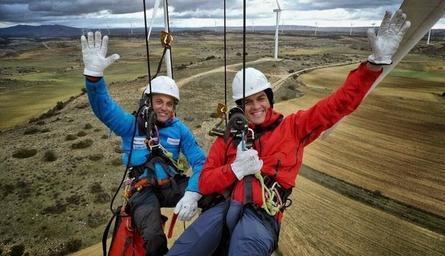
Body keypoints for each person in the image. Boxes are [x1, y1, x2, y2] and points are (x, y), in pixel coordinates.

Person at [168, 10, 411, 255]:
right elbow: (207, 181)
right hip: (223, 206)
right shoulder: (228, 139)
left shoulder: (293, 127)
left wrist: (373, 66)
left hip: (262, 216)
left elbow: (337, 105)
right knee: (183, 251)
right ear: (240, 108)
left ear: (269, 99)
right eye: (248, 102)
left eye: (260, 98)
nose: (256, 107)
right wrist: (235, 169)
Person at [81, 31, 206, 255]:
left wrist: (193, 193)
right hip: (142, 189)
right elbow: (105, 110)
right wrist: (94, 79)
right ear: (148, 102)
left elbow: (200, 163)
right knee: (153, 236)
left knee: (215, 195)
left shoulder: (180, 130)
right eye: (159, 101)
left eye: (170, 103)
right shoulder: (132, 126)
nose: (164, 107)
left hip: (170, 184)